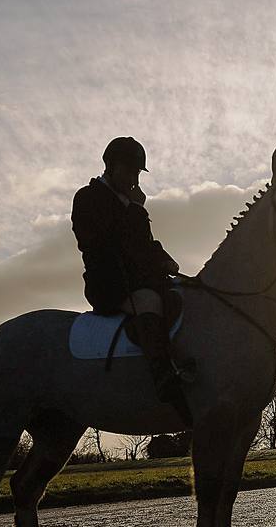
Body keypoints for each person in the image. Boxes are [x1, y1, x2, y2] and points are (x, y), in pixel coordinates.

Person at [72, 136, 191, 406]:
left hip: (141, 280)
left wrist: (165, 260)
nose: (133, 179)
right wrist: (136, 210)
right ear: (110, 166)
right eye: (129, 171)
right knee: (149, 301)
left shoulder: (129, 203)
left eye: (137, 173)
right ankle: (162, 375)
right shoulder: (88, 198)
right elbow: (114, 242)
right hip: (110, 284)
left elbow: (145, 244)